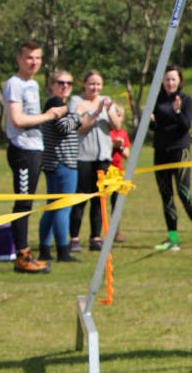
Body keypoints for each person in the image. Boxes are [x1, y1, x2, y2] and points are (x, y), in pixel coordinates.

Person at [2, 41, 68, 273]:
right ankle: (22, 255)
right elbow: (17, 120)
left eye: (38, 58)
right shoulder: (15, 84)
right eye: (29, 57)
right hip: (22, 150)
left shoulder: (31, 84)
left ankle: (25, 252)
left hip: (35, 149)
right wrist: (49, 115)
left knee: (27, 202)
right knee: (23, 202)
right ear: (19, 59)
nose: (34, 62)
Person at [150, 65, 192, 251]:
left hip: (180, 150)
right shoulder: (157, 99)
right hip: (161, 151)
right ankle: (172, 239)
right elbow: (155, 127)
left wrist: (177, 112)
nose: (170, 83)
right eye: (167, 79)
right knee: (166, 195)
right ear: (162, 81)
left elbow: (185, 126)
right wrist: (152, 122)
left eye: (173, 79)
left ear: (179, 81)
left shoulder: (185, 100)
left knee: (184, 193)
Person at [68, 69, 121, 252]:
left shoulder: (106, 101)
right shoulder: (77, 102)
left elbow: (117, 126)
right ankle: (74, 238)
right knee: (81, 197)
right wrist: (96, 112)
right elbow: (80, 128)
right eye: (91, 83)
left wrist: (108, 111)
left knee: (100, 198)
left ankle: (95, 237)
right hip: (83, 156)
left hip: (103, 157)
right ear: (84, 84)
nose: (95, 87)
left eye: (98, 84)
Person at [38, 70, 86, 263]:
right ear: (52, 85)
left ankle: (44, 248)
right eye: (61, 83)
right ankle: (63, 251)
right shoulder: (56, 104)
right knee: (62, 207)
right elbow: (63, 128)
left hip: (53, 162)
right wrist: (79, 114)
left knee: (52, 207)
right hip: (63, 162)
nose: (65, 86)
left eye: (69, 83)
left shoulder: (56, 104)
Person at [109, 104, 131, 242]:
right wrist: (112, 145)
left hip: (118, 172)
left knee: (116, 203)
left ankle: (116, 232)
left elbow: (127, 154)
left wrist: (120, 147)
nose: (116, 117)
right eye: (114, 114)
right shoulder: (106, 131)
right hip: (104, 171)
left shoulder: (123, 133)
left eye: (119, 115)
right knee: (98, 203)